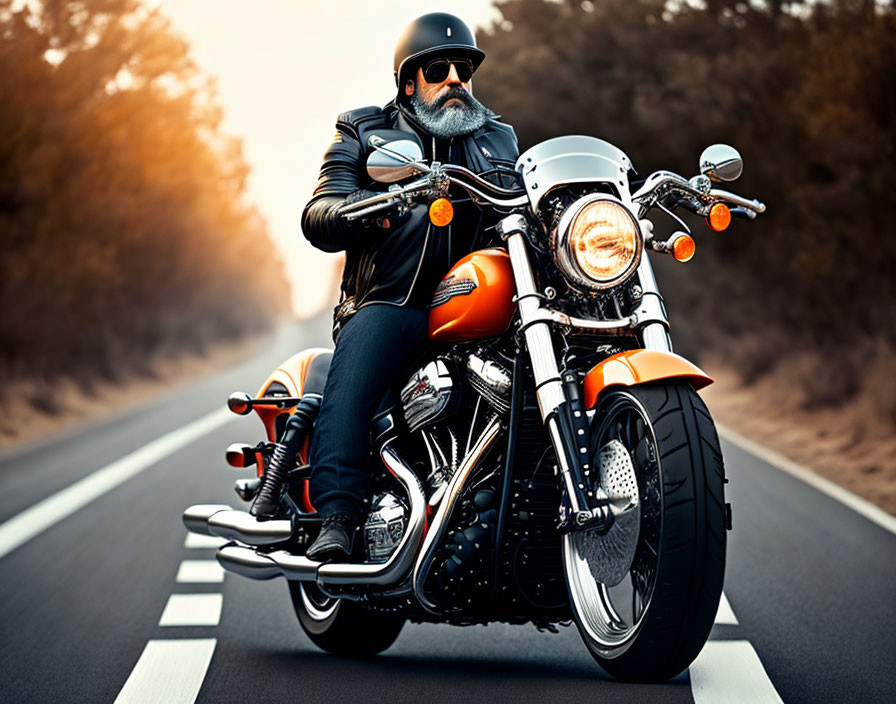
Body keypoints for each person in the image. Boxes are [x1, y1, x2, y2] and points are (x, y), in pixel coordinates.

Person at [297, 12, 520, 561]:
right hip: (392, 302)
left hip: (478, 305)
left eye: (464, 70)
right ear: (408, 81)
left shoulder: (498, 138)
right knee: (363, 356)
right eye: (438, 68)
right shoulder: (365, 129)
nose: (454, 80)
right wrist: (362, 210)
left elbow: (529, 192)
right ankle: (338, 515)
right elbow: (320, 208)